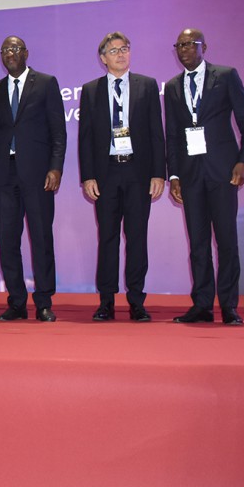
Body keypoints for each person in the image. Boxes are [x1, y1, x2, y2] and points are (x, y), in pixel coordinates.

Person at [164, 28, 244, 325]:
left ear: (204, 46)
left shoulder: (226, 75)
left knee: (227, 241)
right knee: (199, 243)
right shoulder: (173, 86)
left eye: (190, 44)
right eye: (179, 45)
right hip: (190, 176)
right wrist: (174, 175)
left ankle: (229, 306)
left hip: (223, 172)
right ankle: (202, 305)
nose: (184, 49)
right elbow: (173, 135)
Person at [78, 33, 165, 322]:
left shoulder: (147, 86)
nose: (120, 54)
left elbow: (156, 132)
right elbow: (86, 137)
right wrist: (88, 176)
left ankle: (137, 301)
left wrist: (158, 173)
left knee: (137, 238)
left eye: (124, 49)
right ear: (103, 58)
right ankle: (106, 302)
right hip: (106, 174)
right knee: (108, 238)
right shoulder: (91, 90)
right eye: (114, 51)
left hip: (138, 173)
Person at [0, 36, 67, 322]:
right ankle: (16, 302)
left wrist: (55, 167)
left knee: (41, 238)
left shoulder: (45, 83)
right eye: (5, 50)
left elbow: (58, 131)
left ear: (26, 53)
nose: (10, 54)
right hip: (4, 176)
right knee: (8, 240)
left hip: (39, 175)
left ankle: (43, 301)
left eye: (15, 49)